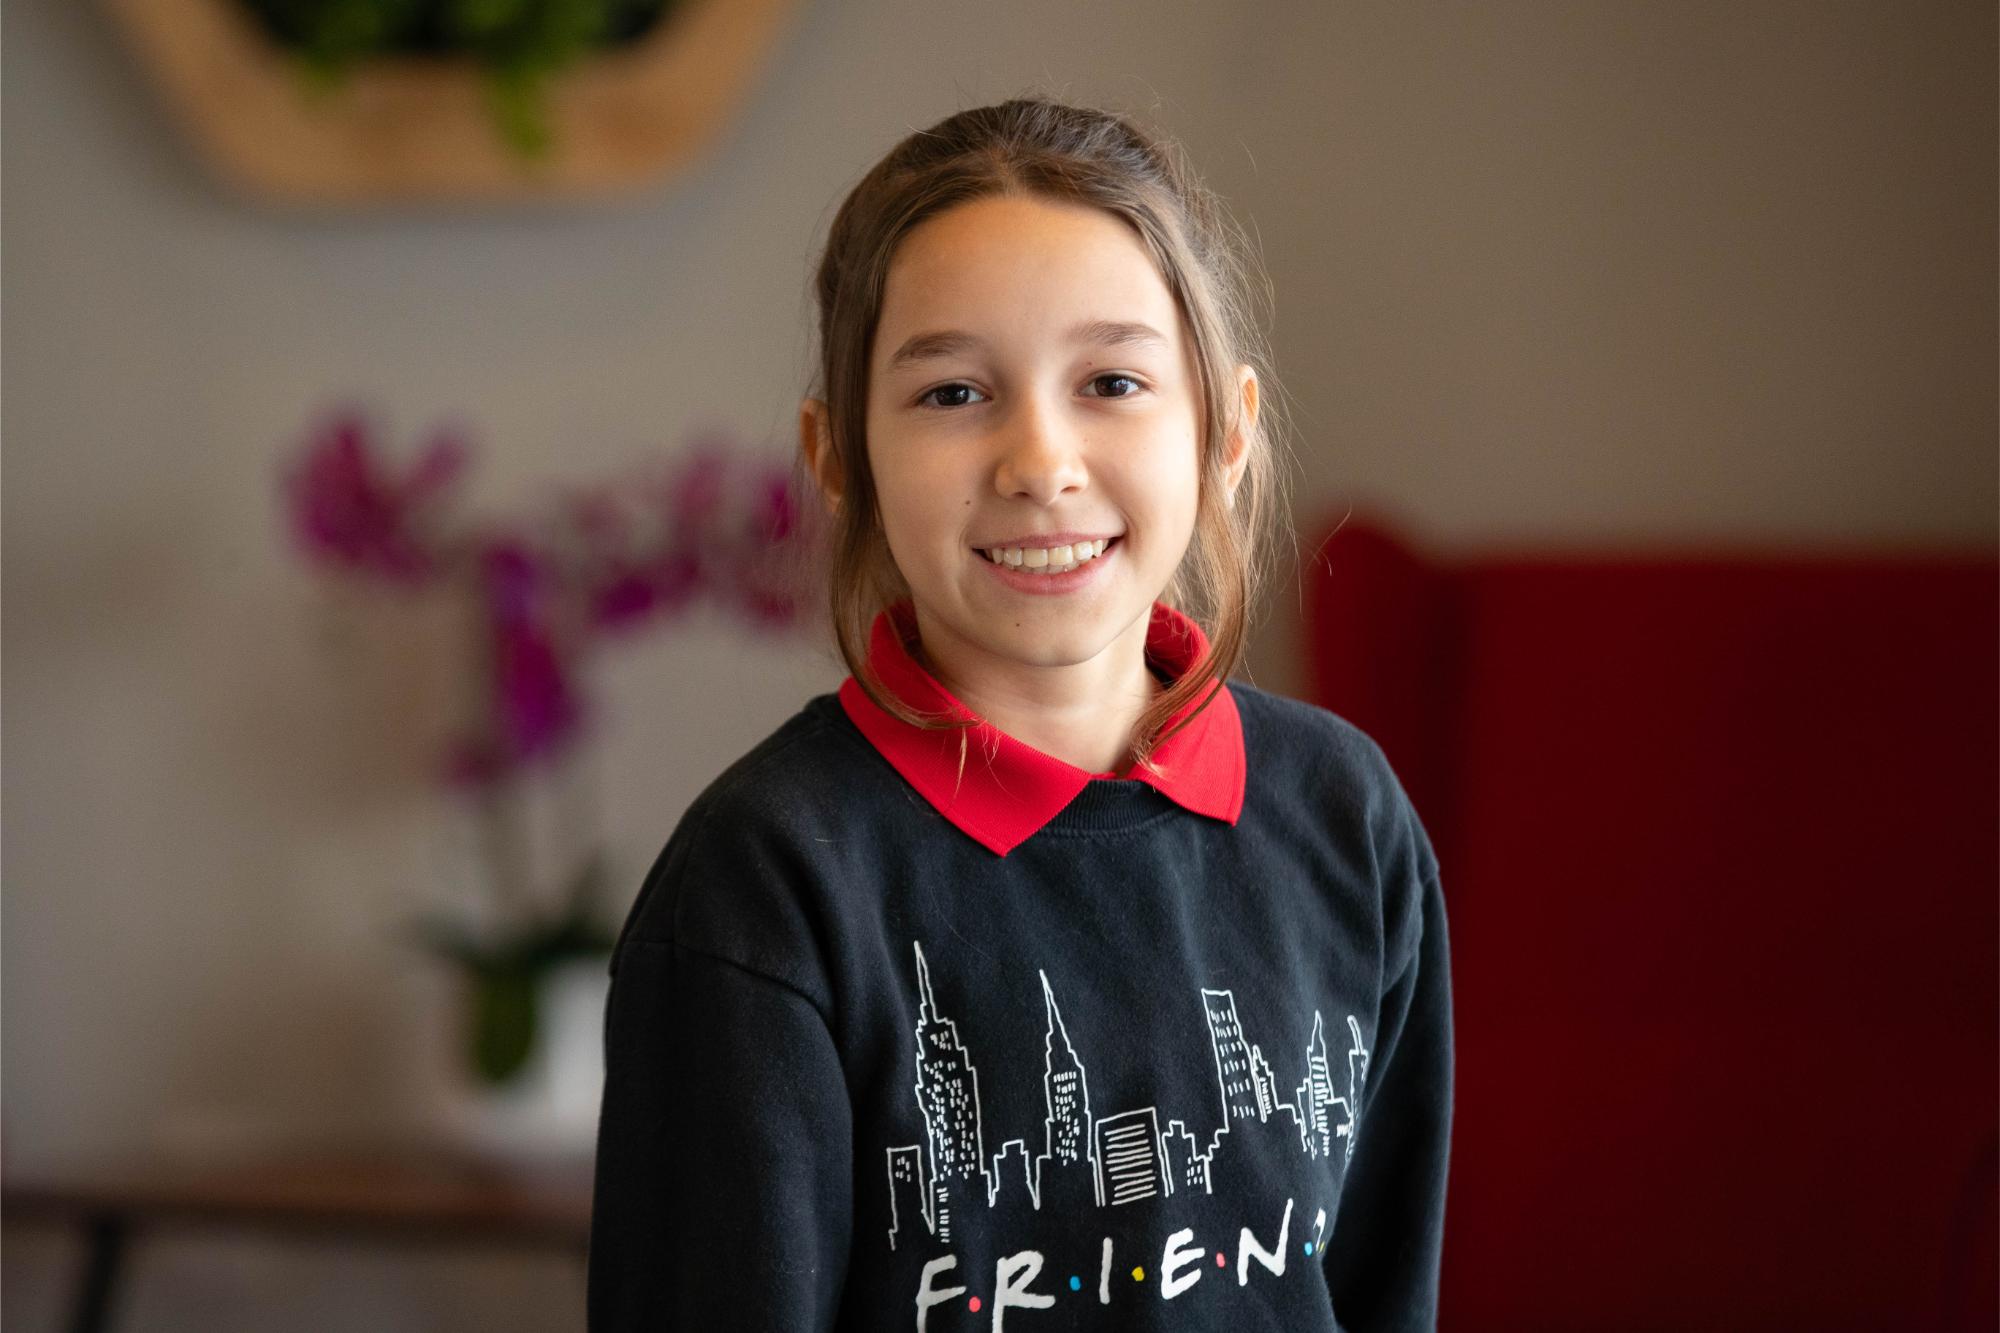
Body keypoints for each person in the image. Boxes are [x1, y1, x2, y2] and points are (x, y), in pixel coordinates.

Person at [587, 96, 1452, 1332]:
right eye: (951, 393)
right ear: (839, 459)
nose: (1038, 460)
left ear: (1224, 431)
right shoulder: (762, 887)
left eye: (1110, 380)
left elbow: (1384, 1290)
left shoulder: (1345, 818)